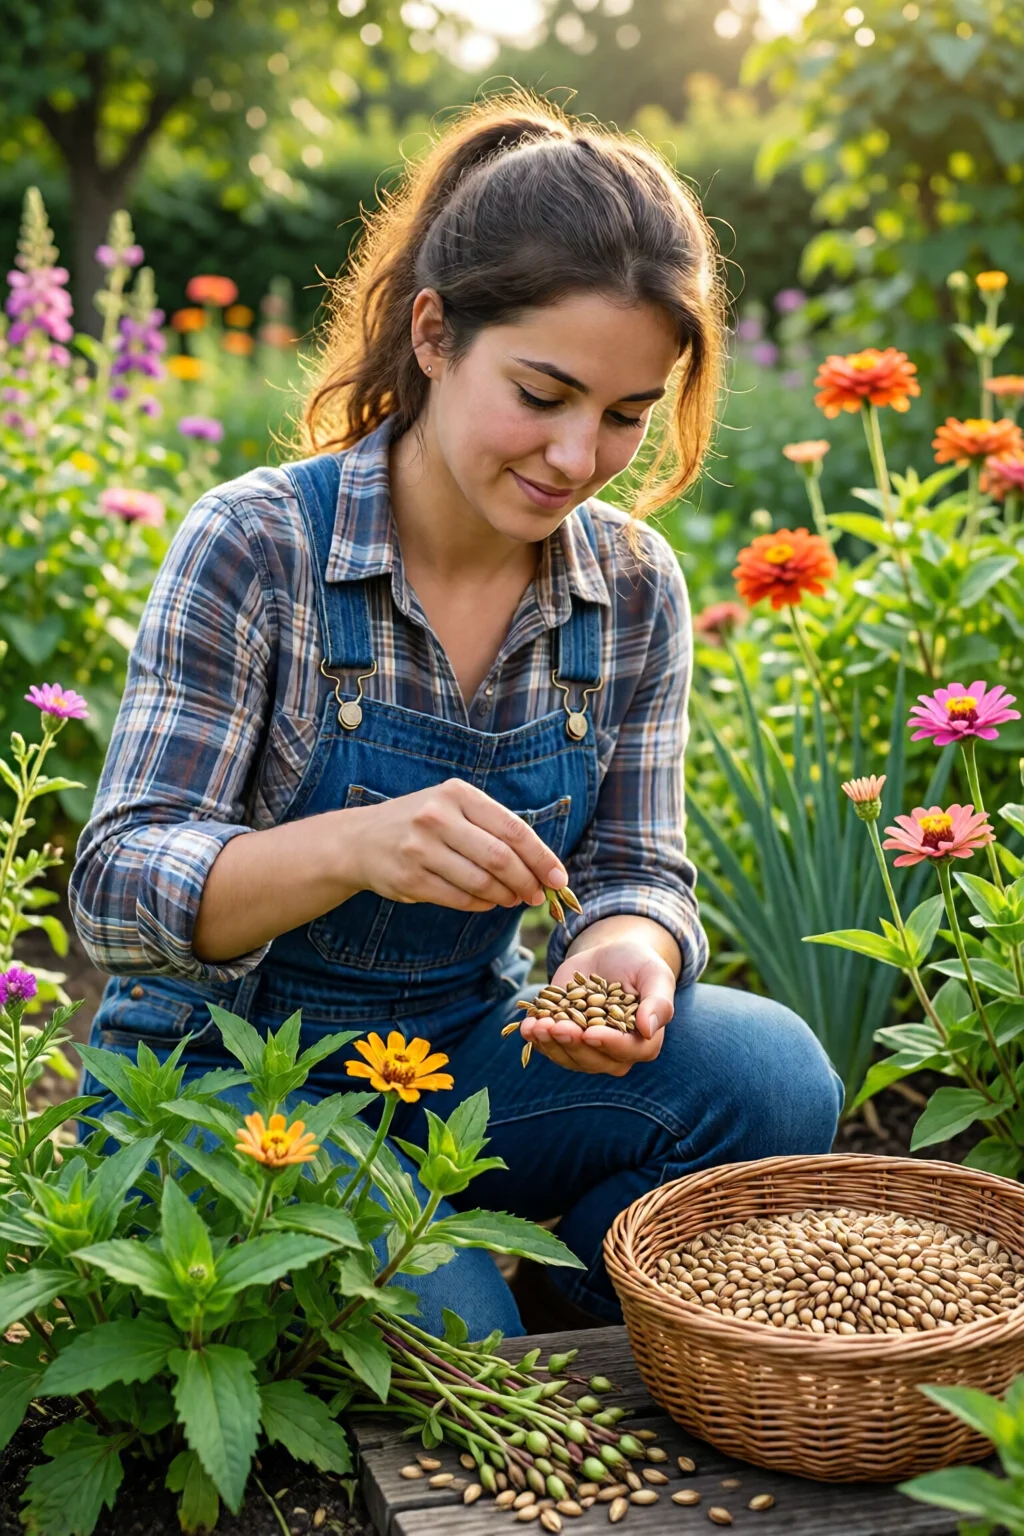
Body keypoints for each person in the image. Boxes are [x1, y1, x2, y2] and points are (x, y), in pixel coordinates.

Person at [71, 93, 843, 1340]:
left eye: (626, 414)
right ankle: (480, 1300)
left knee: (769, 1076)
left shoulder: (631, 587)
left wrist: (623, 956)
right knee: (459, 1334)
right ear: (433, 333)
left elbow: (639, 870)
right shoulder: (259, 544)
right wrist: (350, 845)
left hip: (462, 1062)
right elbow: (113, 887)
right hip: (224, 1081)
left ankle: (597, 1303)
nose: (578, 455)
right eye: (542, 392)